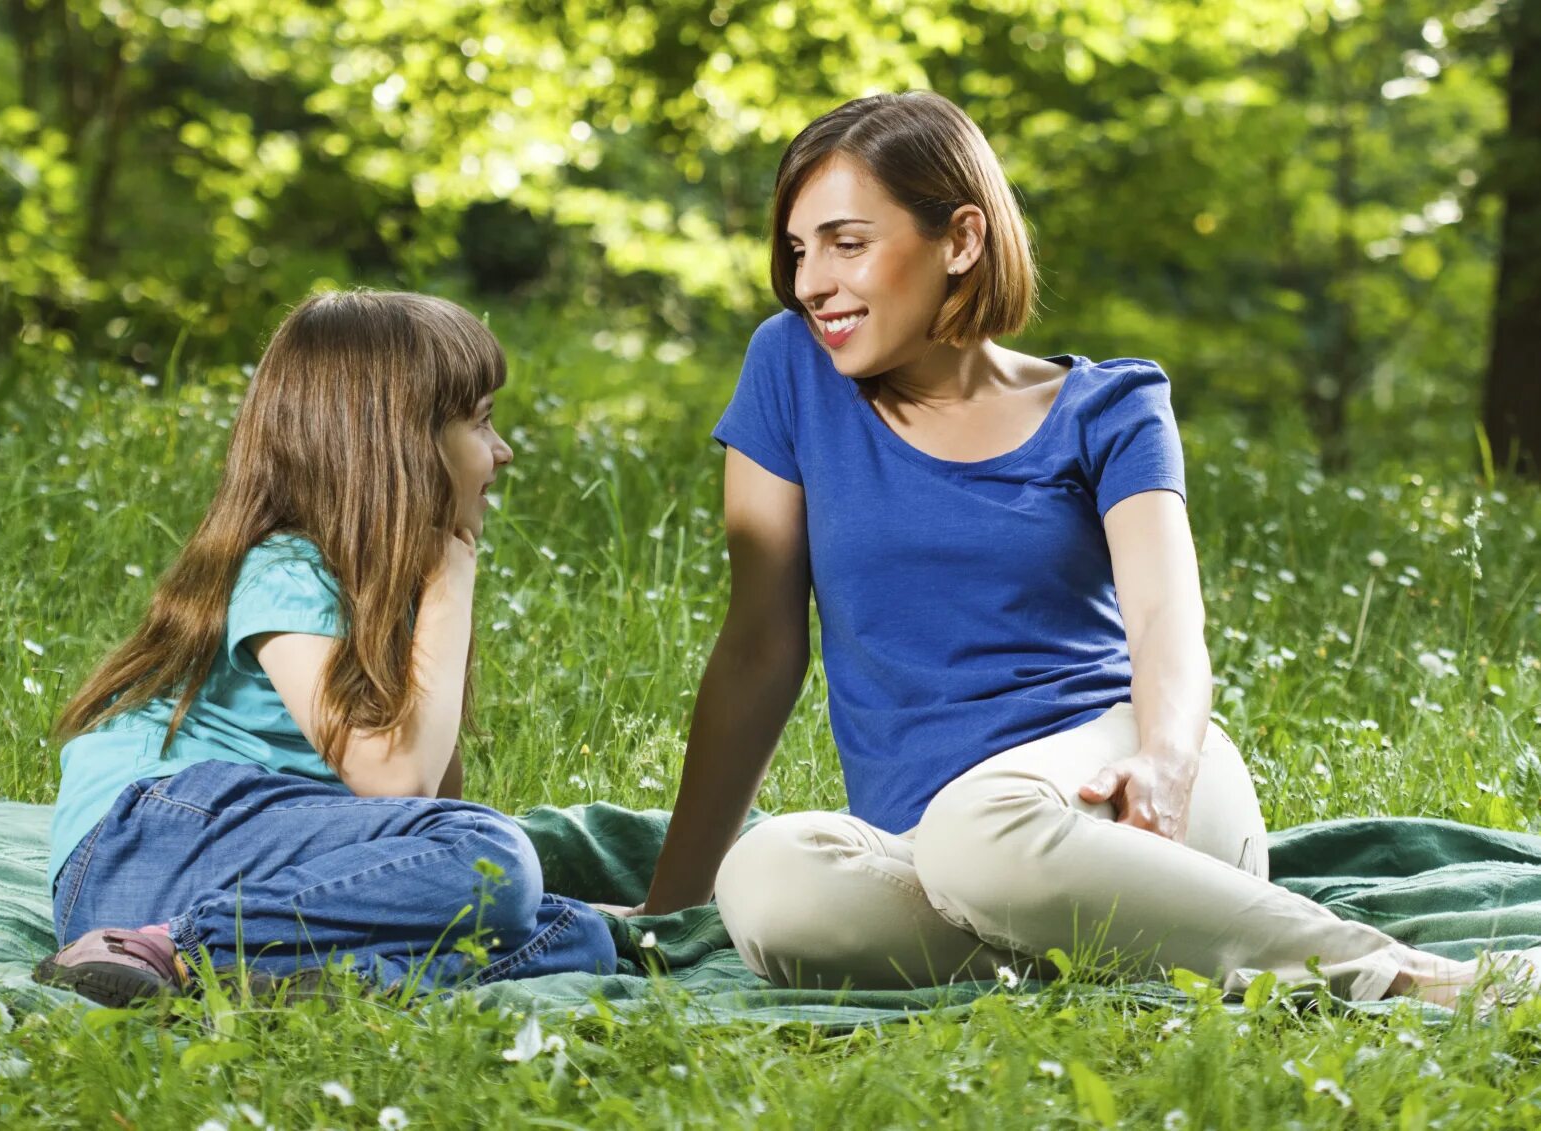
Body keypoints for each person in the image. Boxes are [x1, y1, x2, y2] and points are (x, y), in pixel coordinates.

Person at [624, 91, 1517, 1008]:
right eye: (800, 250)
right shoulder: (791, 368)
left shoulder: (1113, 409)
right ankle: (1132, 949)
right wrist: (672, 904)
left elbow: (1167, 623)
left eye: (847, 243)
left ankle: (1404, 975)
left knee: (980, 833)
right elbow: (759, 647)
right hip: (943, 860)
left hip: (1132, 794)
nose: (811, 280)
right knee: (768, 880)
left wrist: (1167, 763)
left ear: (962, 240)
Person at [34, 290, 616, 1006]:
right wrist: (452, 579)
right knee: (493, 854)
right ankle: (177, 947)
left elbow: (428, 799)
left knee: (578, 933)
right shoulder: (287, 570)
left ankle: (283, 981)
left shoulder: (383, 586)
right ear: (397, 441)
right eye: (482, 420)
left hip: (243, 869)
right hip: (147, 844)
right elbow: (401, 786)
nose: (503, 450)